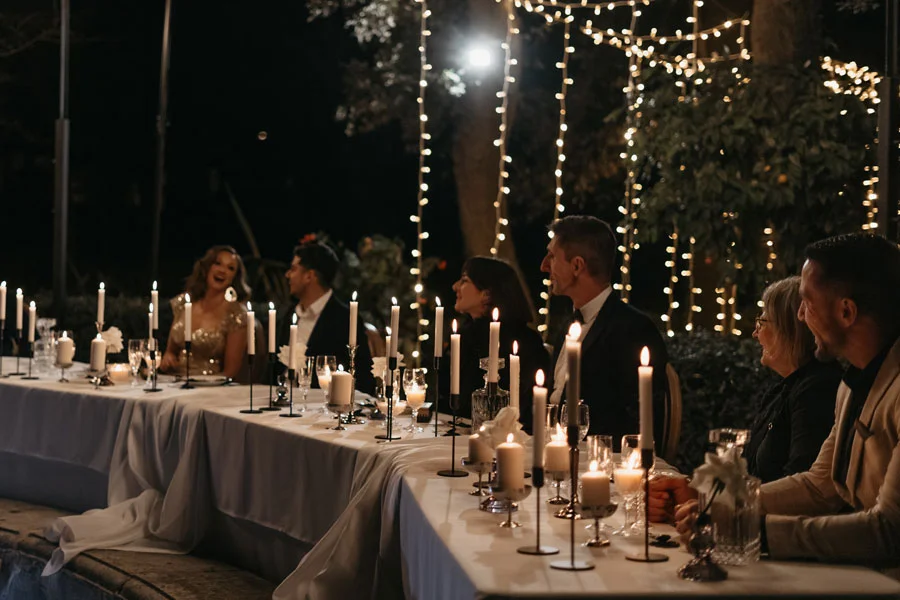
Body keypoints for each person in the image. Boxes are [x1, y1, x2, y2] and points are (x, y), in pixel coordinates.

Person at [665, 233, 900, 570]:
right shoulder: (853, 384)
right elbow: (819, 486)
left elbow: (889, 531)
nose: (801, 317)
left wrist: (754, 529)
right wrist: (718, 504)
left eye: (807, 302)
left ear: (846, 311)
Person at [649, 276, 841, 521]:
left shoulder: (817, 391)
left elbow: (800, 488)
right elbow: (746, 474)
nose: (754, 333)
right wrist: (695, 491)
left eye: (762, 322)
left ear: (789, 327)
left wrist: (708, 501)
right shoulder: (783, 390)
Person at [541, 215, 669, 449]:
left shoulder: (633, 330)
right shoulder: (567, 327)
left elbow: (640, 420)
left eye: (552, 256)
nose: (544, 266)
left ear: (577, 266)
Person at [442, 256, 549, 433]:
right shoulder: (463, 335)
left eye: (464, 281)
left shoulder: (525, 342)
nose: (455, 287)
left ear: (487, 294)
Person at [282, 241, 375, 394]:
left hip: (318, 406)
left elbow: (363, 378)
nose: (287, 275)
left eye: (293, 269)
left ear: (309, 276)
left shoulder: (344, 318)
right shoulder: (289, 314)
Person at [160, 245, 250, 380]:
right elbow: (170, 351)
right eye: (218, 263)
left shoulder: (236, 314)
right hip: (174, 381)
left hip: (210, 390)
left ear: (234, 278)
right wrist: (168, 358)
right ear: (207, 267)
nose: (222, 271)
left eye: (230, 268)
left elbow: (230, 372)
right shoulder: (184, 303)